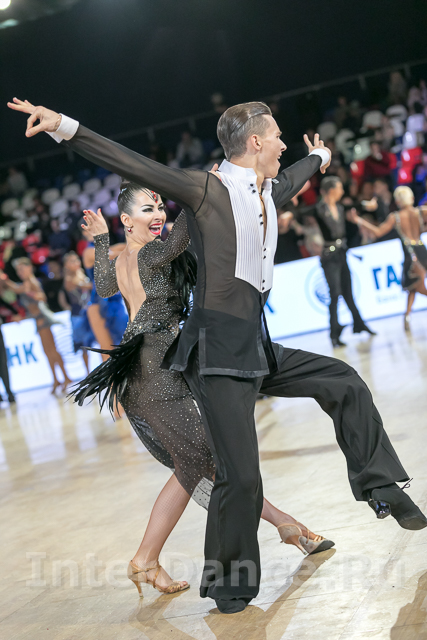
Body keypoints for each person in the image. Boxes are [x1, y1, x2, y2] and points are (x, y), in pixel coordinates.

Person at [9, 98, 426, 616]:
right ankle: (230, 586)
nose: (282, 143)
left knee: (342, 380)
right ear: (255, 141)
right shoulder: (206, 189)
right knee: (236, 474)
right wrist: (64, 127)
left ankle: (380, 485)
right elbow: (132, 163)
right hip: (215, 352)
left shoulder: (266, 190)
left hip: (255, 343)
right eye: (277, 136)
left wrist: (319, 159)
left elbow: (290, 180)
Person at [71, 188, 333, 596]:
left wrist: (102, 239)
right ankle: (146, 558)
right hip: (157, 369)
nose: (158, 214)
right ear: (127, 220)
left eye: (161, 206)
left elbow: (104, 287)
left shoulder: (121, 260)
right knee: (201, 461)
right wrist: (200, 190)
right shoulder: (150, 254)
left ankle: (286, 526)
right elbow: (181, 237)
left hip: (139, 370)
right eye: (148, 209)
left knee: (203, 462)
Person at [296, 176, 376, 347]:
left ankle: (359, 324)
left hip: (341, 253)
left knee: (348, 292)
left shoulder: (339, 207)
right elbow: (300, 212)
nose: (342, 191)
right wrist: (289, 213)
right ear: (331, 190)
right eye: (339, 188)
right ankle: (334, 333)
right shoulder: (318, 209)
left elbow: (354, 205)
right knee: (335, 294)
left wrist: (367, 205)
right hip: (329, 257)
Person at [350, 186, 427, 332]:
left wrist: (359, 220)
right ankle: (407, 316)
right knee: (413, 286)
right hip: (422, 250)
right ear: (411, 198)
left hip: (410, 253)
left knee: (417, 286)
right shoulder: (420, 211)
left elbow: (378, 232)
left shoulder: (396, 217)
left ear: (397, 201)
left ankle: (407, 316)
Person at [0, 257, 71, 394]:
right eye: (18, 270)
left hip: (41, 319)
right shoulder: (26, 283)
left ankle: (66, 377)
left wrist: (30, 294)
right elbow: (17, 289)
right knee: (47, 351)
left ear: (29, 268)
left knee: (52, 350)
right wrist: (6, 280)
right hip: (38, 319)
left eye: (21, 269)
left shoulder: (31, 282)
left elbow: (41, 297)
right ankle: (56, 379)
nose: (20, 272)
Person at [59, 251, 95, 374]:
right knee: (84, 346)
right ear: (66, 265)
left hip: (89, 311)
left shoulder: (81, 273)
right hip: (78, 315)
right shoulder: (68, 279)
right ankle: (88, 372)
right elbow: (86, 286)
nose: (76, 263)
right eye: (72, 261)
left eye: (76, 260)